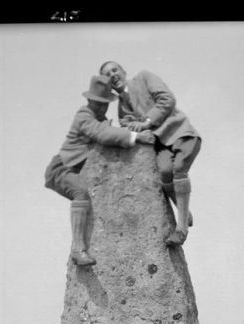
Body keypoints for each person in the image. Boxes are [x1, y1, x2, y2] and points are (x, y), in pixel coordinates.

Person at [44, 74, 155, 266]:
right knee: (80, 193)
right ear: (89, 100)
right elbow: (102, 134)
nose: (102, 107)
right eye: (98, 102)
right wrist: (136, 136)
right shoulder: (84, 116)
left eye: (105, 103)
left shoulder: (100, 119)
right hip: (62, 168)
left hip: (77, 169)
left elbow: (109, 133)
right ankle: (78, 250)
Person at [99, 61, 201, 246]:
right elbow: (127, 125)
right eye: (107, 75)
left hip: (180, 133)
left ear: (123, 71)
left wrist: (146, 121)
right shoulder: (122, 106)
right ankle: (184, 212)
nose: (112, 75)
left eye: (114, 70)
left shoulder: (144, 78)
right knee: (164, 173)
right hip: (160, 144)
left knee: (179, 168)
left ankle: (182, 229)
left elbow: (166, 99)